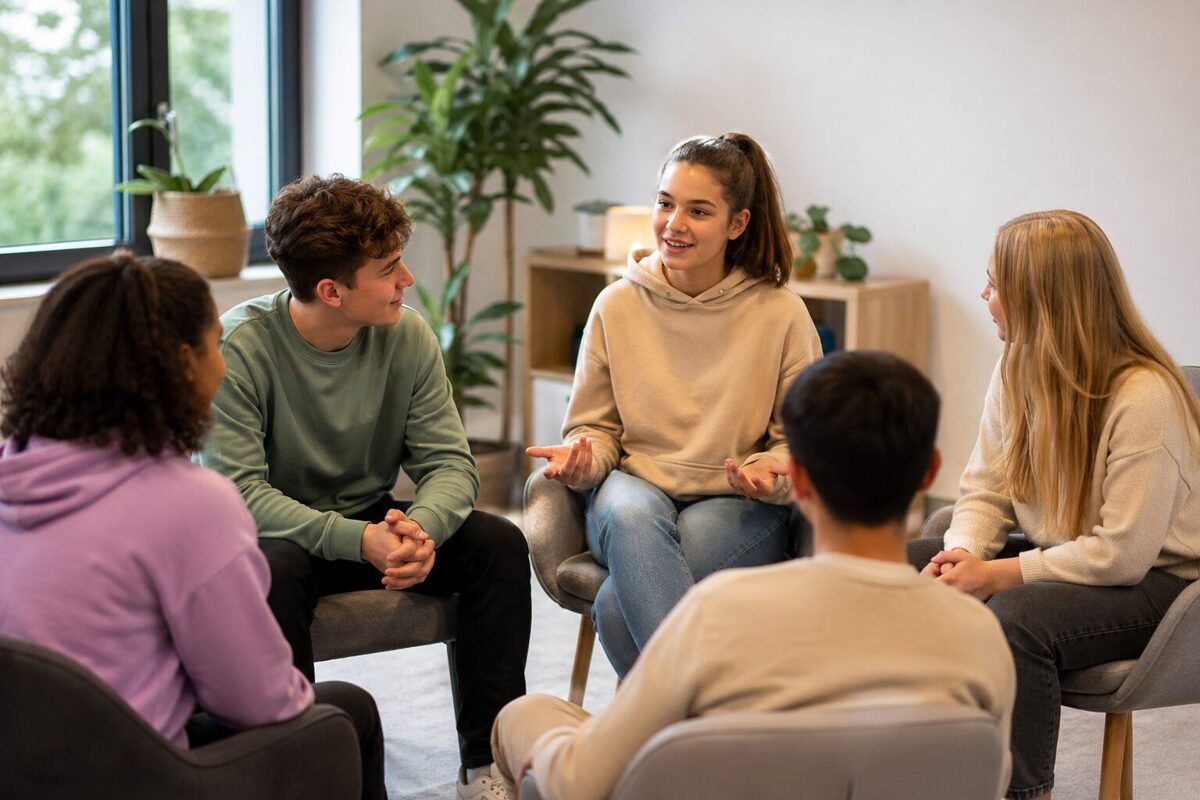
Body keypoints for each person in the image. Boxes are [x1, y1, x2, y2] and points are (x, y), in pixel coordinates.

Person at [495, 350, 1016, 800]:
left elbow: (579, 780)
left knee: (525, 717)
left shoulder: (719, 611)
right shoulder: (978, 635)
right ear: (929, 472)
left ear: (799, 480)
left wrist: (544, 750)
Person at [0, 252, 385, 798]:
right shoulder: (190, 503)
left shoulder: (11, 469)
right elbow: (259, 702)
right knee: (345, 713)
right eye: (214, 344)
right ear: (183, 365)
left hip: (20, 767)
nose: (223, 366)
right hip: (137, 776)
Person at [196, 174, 531, 800]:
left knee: (499, 543)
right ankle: (300, 769)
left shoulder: (407, 335)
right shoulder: (238, 348)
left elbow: (450, 463)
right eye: (388, 268)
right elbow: (238, 494)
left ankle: (486, 765)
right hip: (281, 536)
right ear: (332, 290)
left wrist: (420, 529)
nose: (407, 279)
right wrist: (358, 541)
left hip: (374, 520)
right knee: (272, 570)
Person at [909, 210, 1200, 800]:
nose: (984, 296)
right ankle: (919, 770)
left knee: (1016, 619)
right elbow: (986, 489)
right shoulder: (1015, 365)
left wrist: (994, 575)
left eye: (995, 284)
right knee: (901, 565)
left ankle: (1021, 794)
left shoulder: (1145, 397)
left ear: (1042, 299)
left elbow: (1122, 555)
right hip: (1067, 555)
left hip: (1162, 582)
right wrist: (961, 557)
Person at [527, 133, 823, 677]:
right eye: (665, 203)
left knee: (617, 603)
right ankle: (698, 706)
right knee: (631, 515)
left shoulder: (782, 314)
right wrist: (582, 459)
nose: (674, 224)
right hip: (632, 490)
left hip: (734, 504)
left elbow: (799, 444)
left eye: (699, 211)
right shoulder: (615, 305)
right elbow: (595, 429)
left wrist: (769, 469)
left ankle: (659, 716)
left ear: (738, 223)